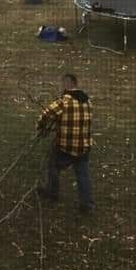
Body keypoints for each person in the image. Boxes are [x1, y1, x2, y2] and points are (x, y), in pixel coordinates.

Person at [36, 73, 94, 213]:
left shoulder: (64, 101)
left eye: (63, 83)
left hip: (65, 146)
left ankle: (52, 192)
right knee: (83, 175)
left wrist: (41, 127)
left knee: (53, 165)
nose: (62, 86)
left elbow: (46, 113)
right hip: (83, 146)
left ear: (68, 83)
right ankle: (87, 205)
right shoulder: (88, 101)